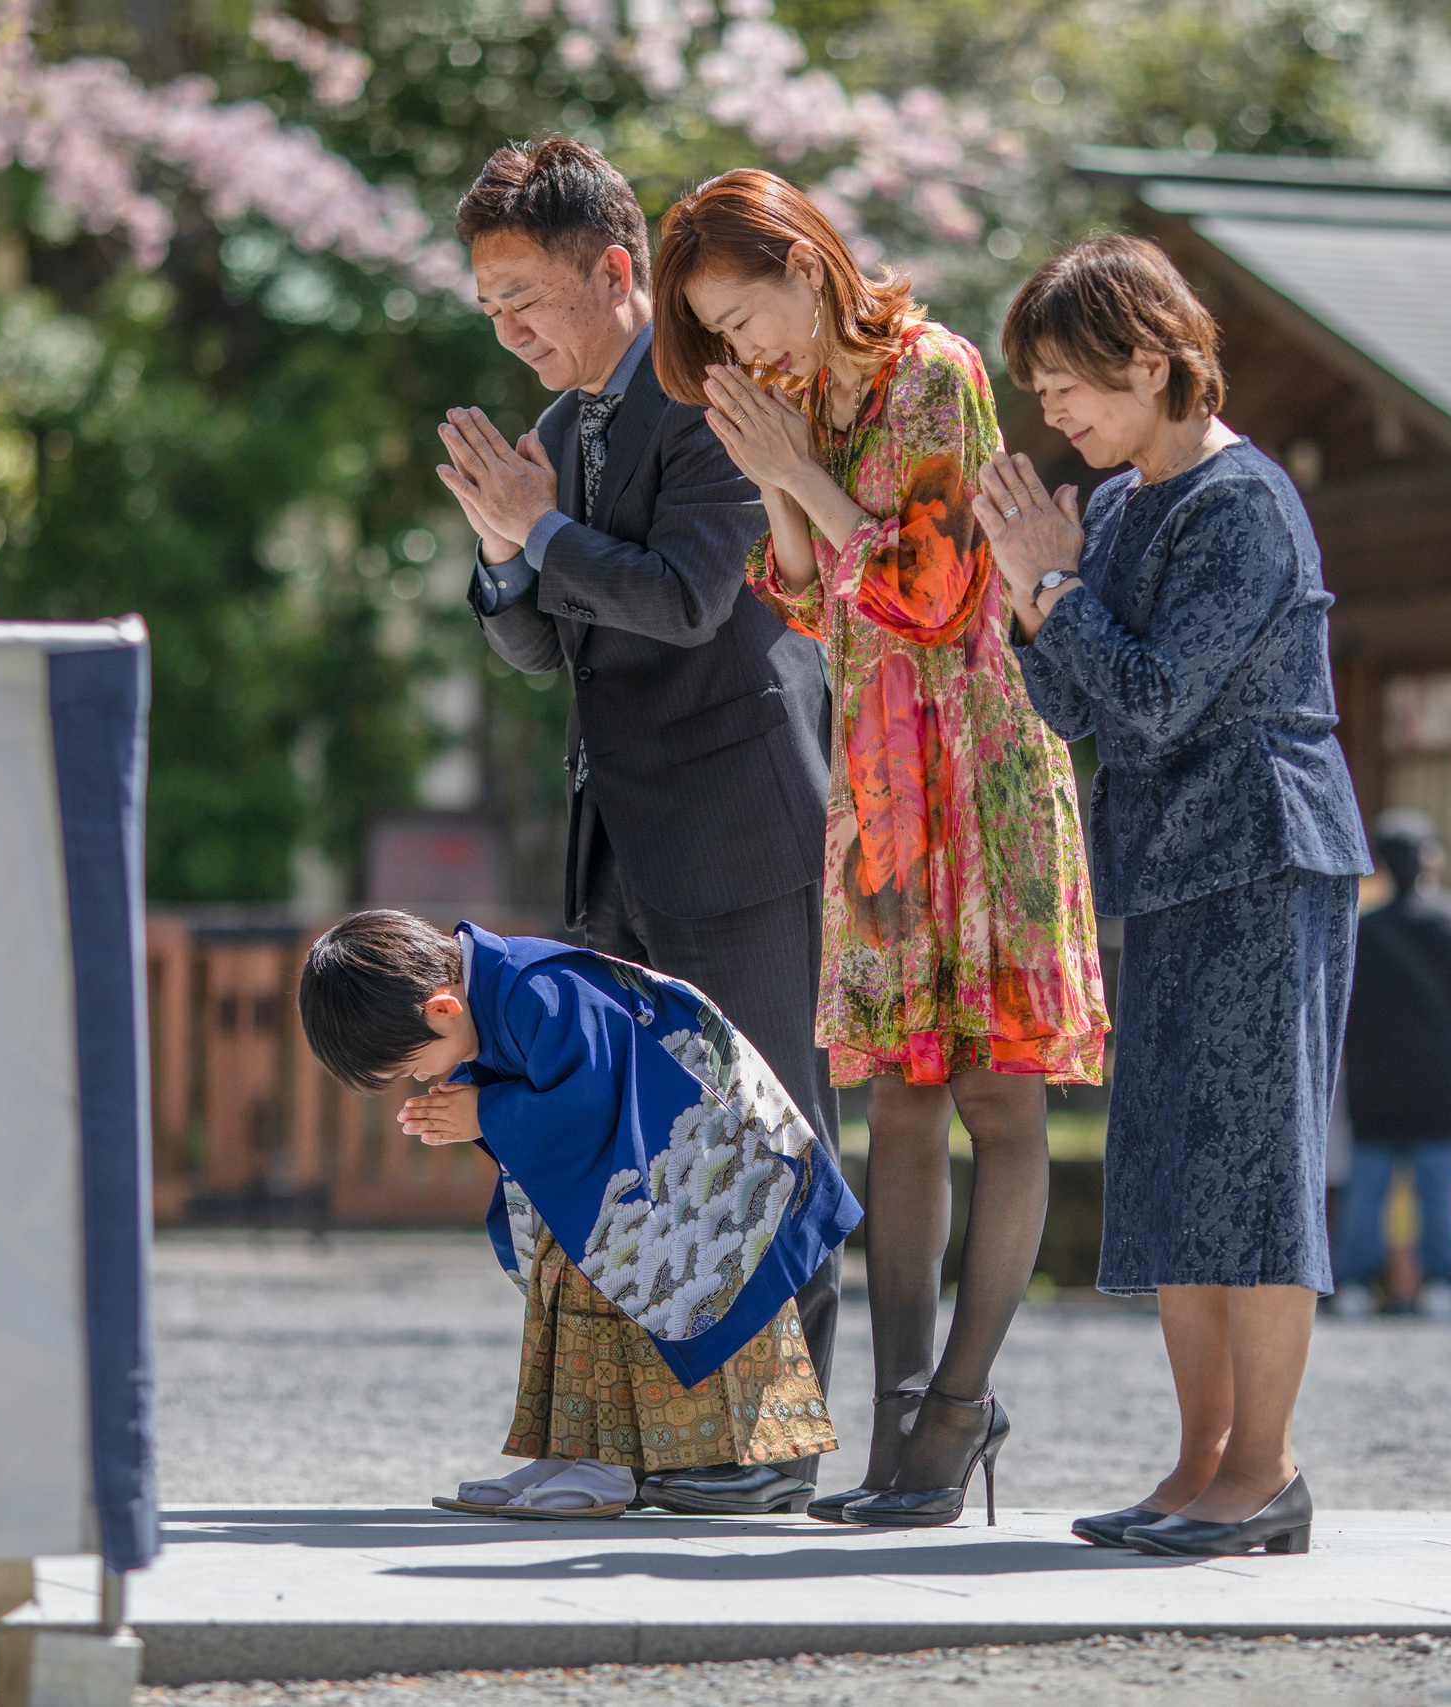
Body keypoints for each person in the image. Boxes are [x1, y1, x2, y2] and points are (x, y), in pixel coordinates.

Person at [651, 169, 1110, 1529]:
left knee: (997, 1097)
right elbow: (805, 598)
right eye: (718, 333)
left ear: (807, 265)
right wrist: (778, 476)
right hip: (880, 784)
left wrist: (794, 471)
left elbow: (932, 589)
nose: (743, 346)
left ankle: (958, 1404)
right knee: (899, 1101)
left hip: (983, 762)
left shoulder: (933, 374)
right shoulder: (804, 397)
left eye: (744, 313)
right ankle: (901, 1419)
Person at [433, 139, 839, 1517]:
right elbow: (538, 650)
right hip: (614, 825)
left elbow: (686, 598)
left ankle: (776, 1447)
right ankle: (641, 1440)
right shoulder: (557, 433)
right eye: (488, 306)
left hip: (738, 819)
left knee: (769, 1127)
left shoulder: (712, 394)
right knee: (634, 1140)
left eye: (523, 296)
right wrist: (504, 555)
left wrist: (540, 536)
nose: (508, 328)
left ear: (615, 270)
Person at [977, 235, 1369, 1559]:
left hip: (1265, 851)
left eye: (1067, 385)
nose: (1054, 414)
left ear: (1150, 362)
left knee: (1254, 1170)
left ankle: (1264, 1469)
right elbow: (1076, 706)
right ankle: (1200, 1461)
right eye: (1040, 390)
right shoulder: (1121, 505)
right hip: (1166, 859)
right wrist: (1029, 593)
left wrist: (1052, 584)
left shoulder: (1242, 502)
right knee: (1173, 1168)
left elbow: (1150, 696)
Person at [297, 910, 860, 1518]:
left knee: (645, 1280)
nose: (421, 1077)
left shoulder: (539, 990)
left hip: (700, 1154)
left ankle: (642, 1464)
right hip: (637, 1162)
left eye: (414, 1064)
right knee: (563, 1280)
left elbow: (591, 1099)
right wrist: (487, 1114)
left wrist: (487, 1113)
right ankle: (571, 1451)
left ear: (442, 1009)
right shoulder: (496, 995)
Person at [1331, 813, 1451, 1322]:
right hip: (1442, 1078)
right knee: (1439, 1182)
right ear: (1431, 859)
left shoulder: (1359, 930)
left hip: (1373, 1078)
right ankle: (1442, 1283)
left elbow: (1340, 1013)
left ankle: (1355, 1284)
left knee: (1368, 1182)